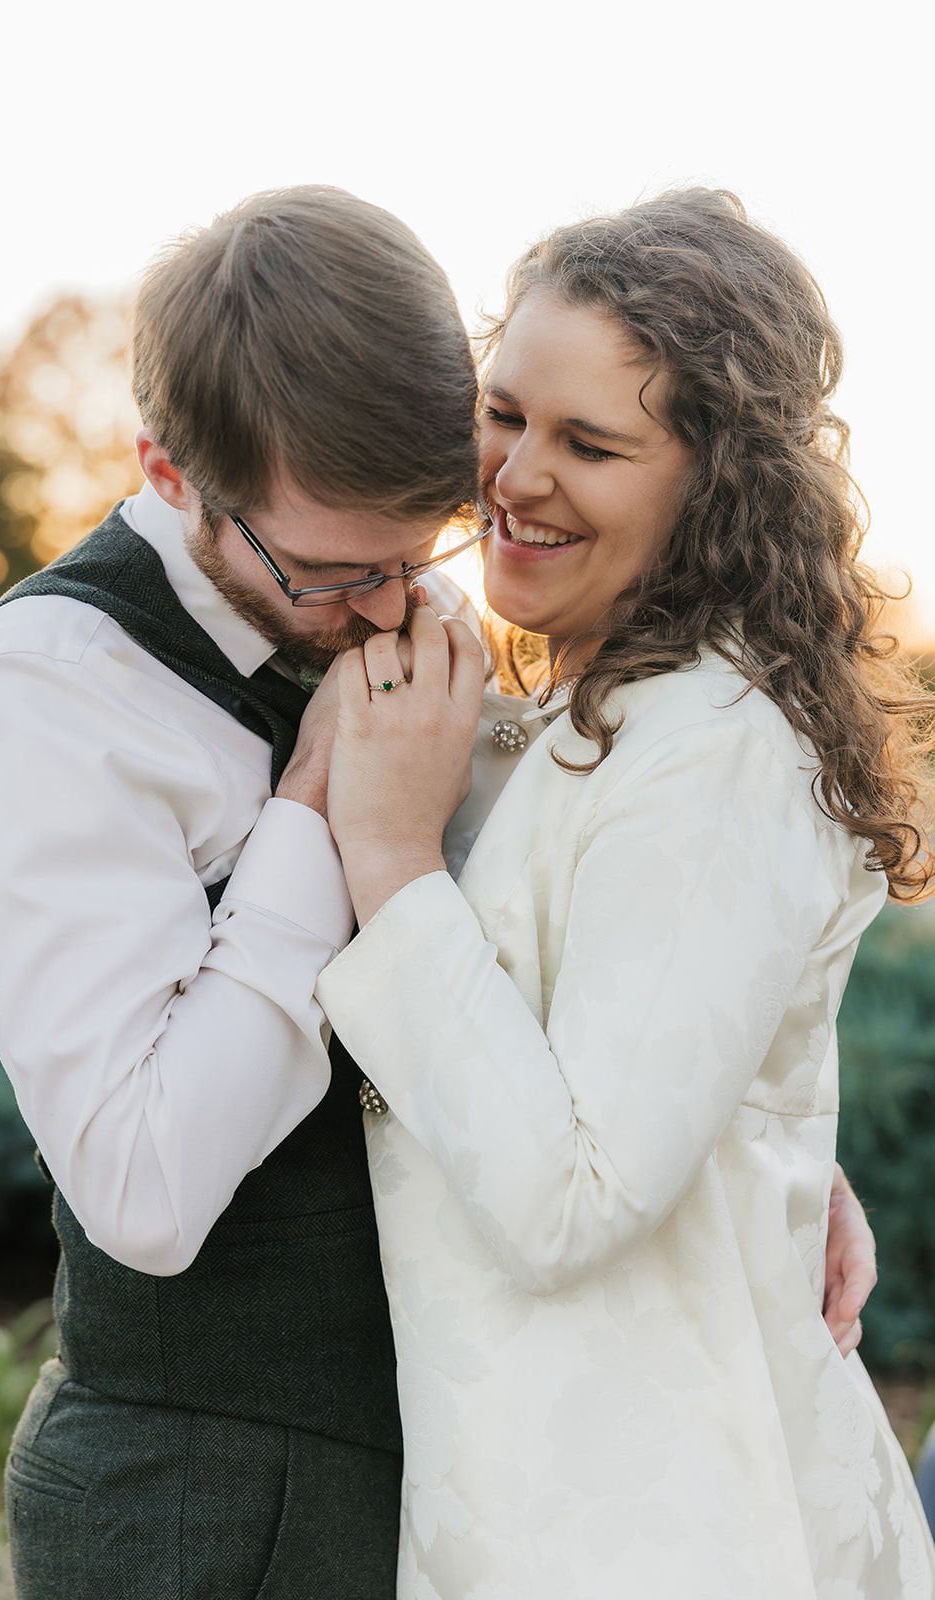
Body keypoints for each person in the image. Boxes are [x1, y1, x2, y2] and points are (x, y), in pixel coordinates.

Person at [0, 186, 874, 1597]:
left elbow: (555, 978)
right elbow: (147, 1187)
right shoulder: (50, 691)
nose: (380, 607)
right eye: (329, 571)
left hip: (453, 1471)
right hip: (214, 1500)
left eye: (410, 556)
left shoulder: (424, 627)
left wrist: (736, 1139)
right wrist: (320, 827)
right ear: (169, 471)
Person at [314, 189, 935, 1598]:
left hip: (675, 1527)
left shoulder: (719, 746)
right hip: (555, 1500)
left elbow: (572, 1196)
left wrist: (396, 868)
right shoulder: (601, 704)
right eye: (505, 413)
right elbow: (614, 1057)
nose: (516, 475)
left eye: (590, 443)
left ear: (716, 485)